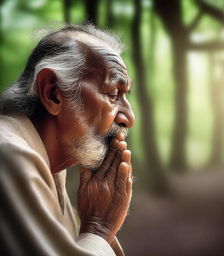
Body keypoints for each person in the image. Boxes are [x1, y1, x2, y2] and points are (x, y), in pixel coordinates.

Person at [0, 23, 135, 256]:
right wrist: (98, 228)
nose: (128, 118)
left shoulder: (51, 169)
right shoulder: (8, 154)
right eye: (113, 94)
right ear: (53, 92)